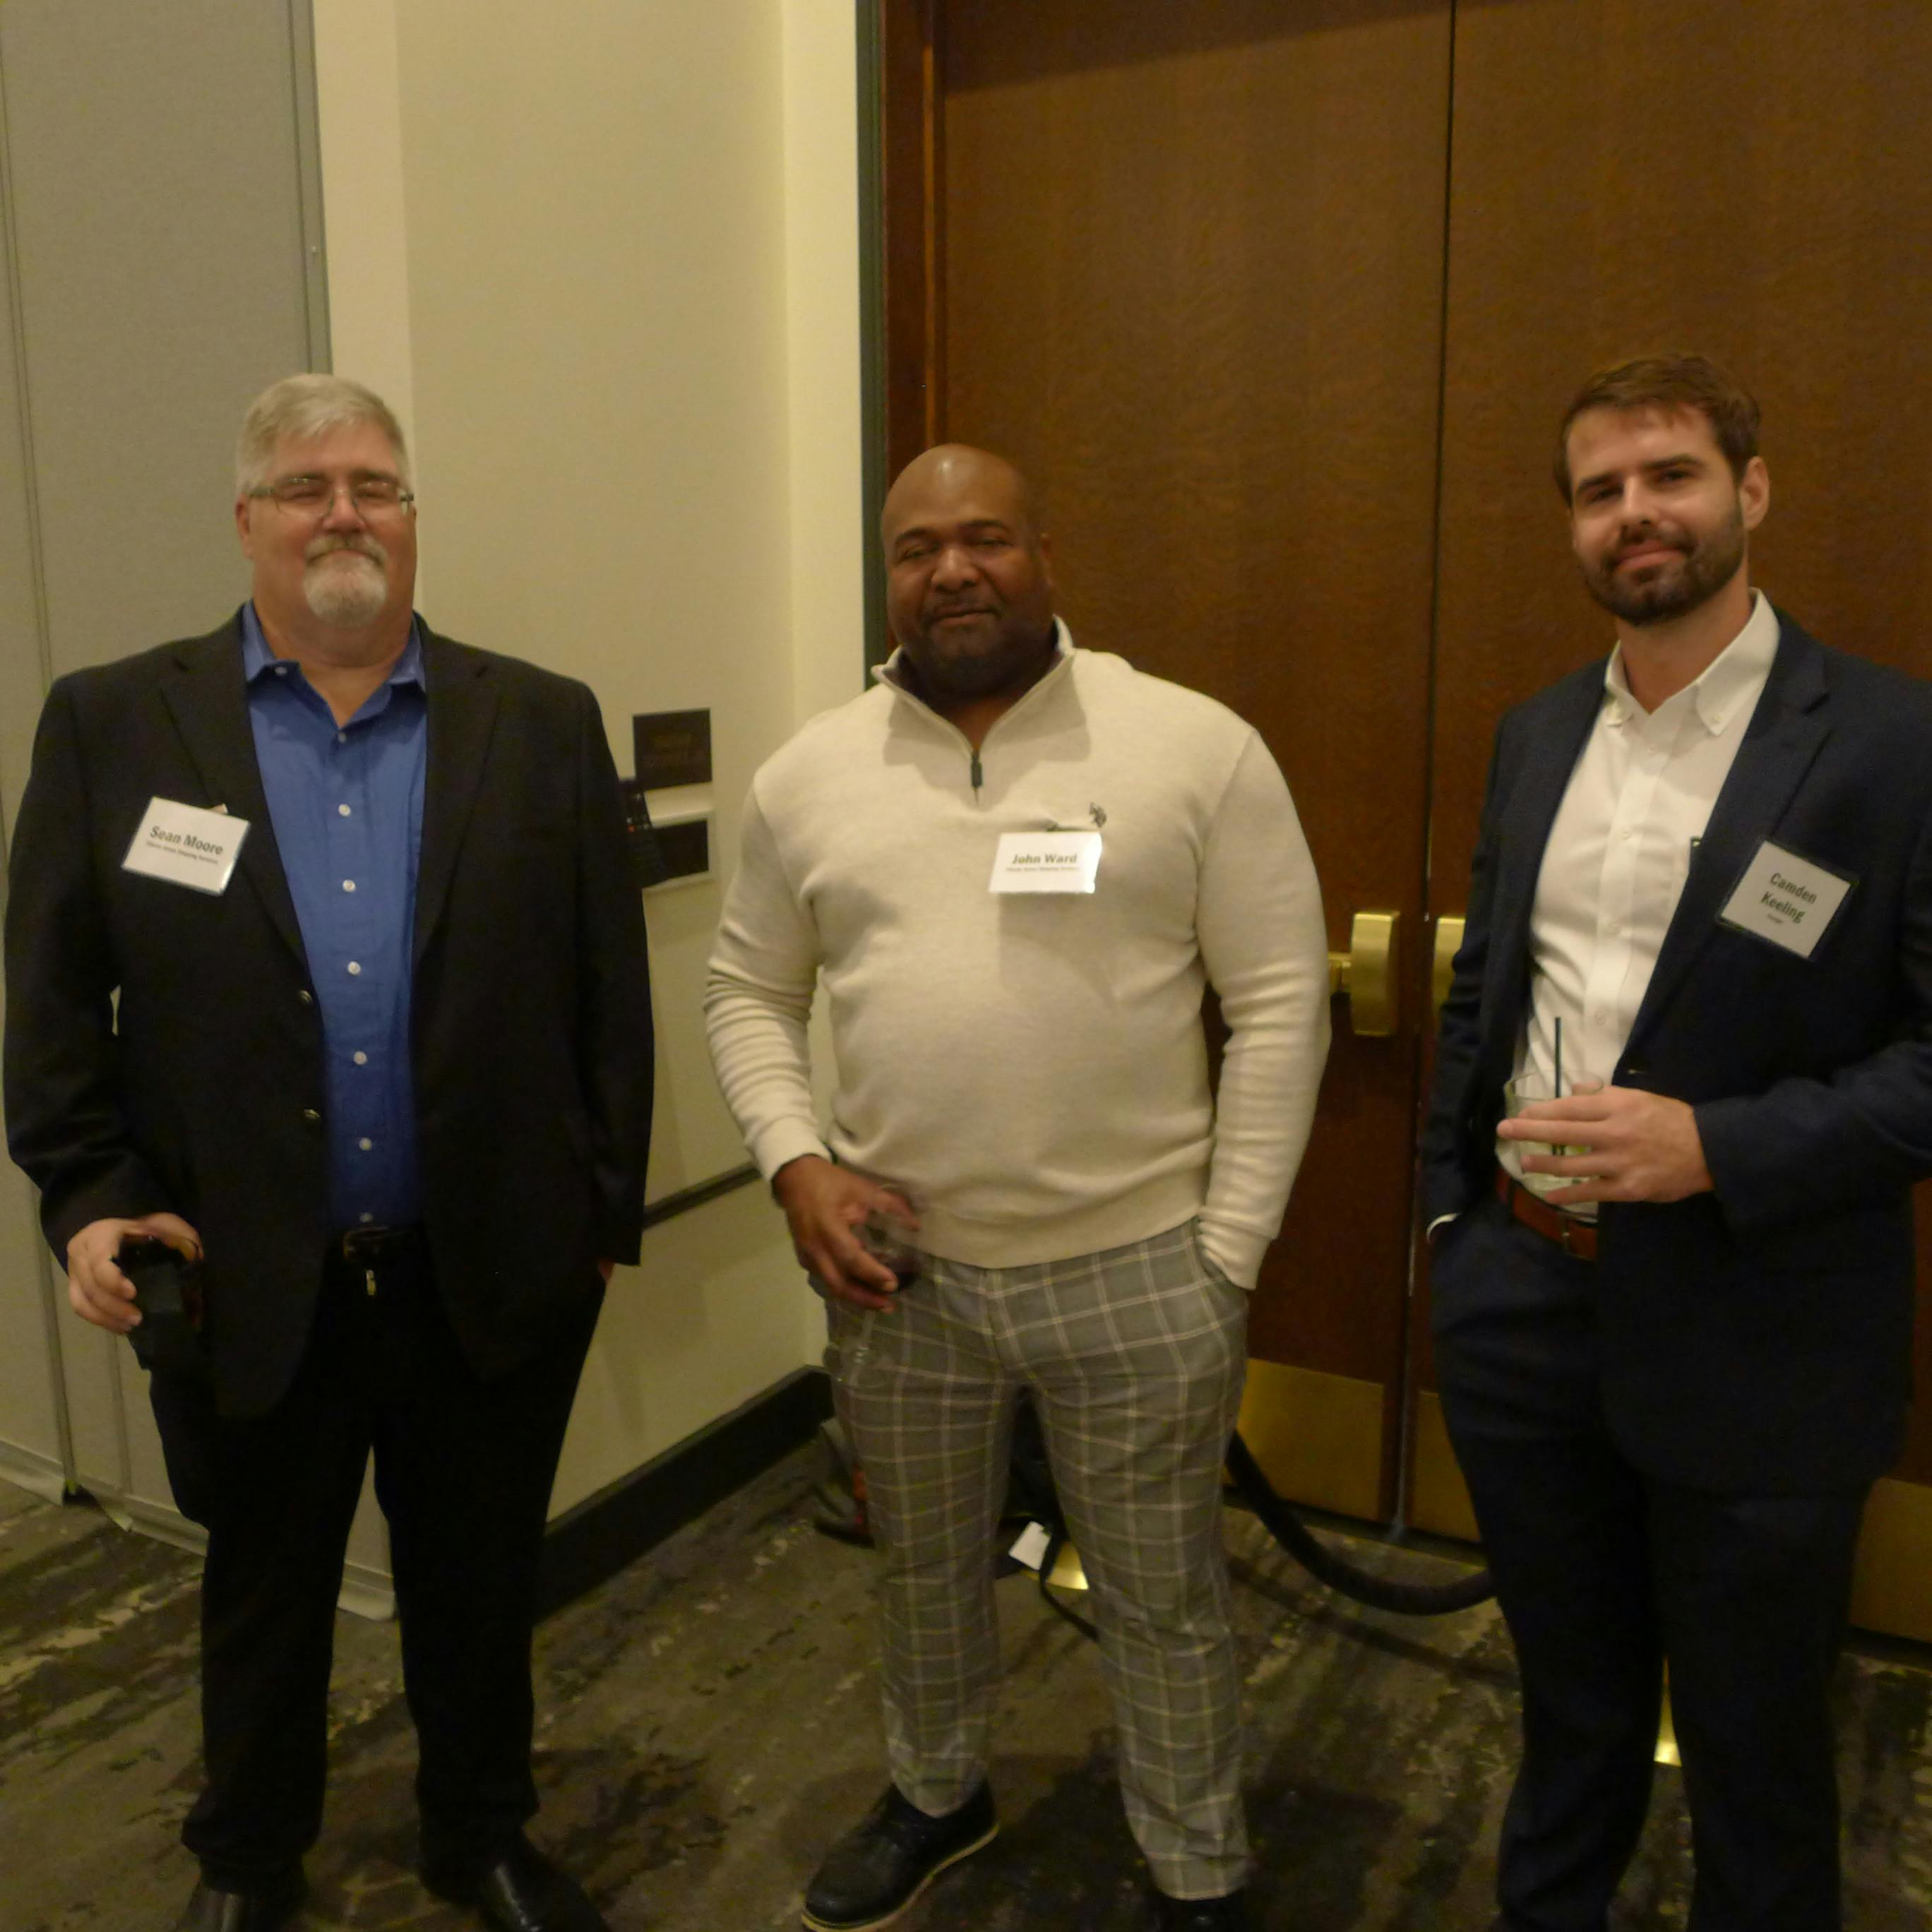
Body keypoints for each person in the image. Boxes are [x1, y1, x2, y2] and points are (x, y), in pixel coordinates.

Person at [3, 375, 652, 1932]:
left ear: (412, 519)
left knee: (478, 1582)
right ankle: (246, 1859)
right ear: (248, 521)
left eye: (376, 484)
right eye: (306, 486)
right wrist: (91, 1197)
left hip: (483, 1269)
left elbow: (606, 993)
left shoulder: (541, 720)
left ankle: (479, 1834)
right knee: (264, 1588)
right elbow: (52, 1002)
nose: (344, 512)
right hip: (240, 1274)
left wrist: (599, 1222)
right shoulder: (113, 720)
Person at [704, 445, 1330, 1932]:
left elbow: (1281, 1001)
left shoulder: (1193, 745)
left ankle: (1195, 1863)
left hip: (1143, 1268)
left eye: (984, 538)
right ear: (889, 575)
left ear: (1045, 553)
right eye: (917, 548)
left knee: (1161, 1593)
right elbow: (747, 991)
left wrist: (1229, 1250)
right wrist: (796, 1163)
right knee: (922, 1574)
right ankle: (937, 1794)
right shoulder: (810, 775)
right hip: (901, 1276)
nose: (953, 571)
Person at [1421, 352, 1932, 1930]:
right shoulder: (1535, 735)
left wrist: (1722, 1146)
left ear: (1750, 491)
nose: (1635, 514)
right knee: (1566, 1710)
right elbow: (1485, 990)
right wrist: (1450, 1226)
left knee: (1753, 1745)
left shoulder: (1891, 742)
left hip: (1762, 1325)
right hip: (1524, 1309)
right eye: (1601, 491)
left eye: (1671, 477)